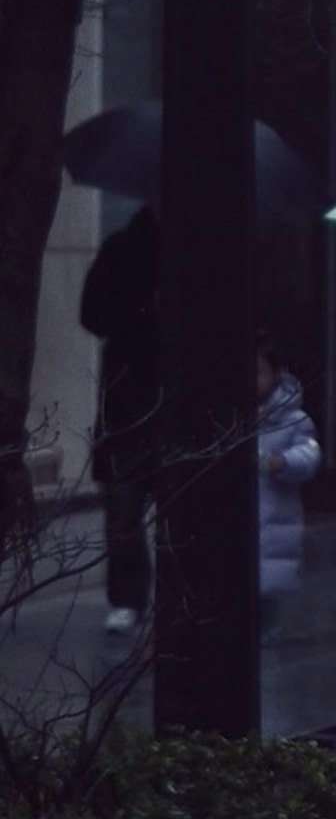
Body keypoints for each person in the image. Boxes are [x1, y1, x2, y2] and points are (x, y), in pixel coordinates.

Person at [80, 201, 162, 630]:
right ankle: (128, 596)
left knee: (169, 506)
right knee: (124, 509)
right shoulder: (122, 251)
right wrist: (144, 312)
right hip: (129, 398)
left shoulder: (199, 249)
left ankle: (156, 596)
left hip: (169, 396)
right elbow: (93, 313)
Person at [254, 345, 323, 602]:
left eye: (259, 372)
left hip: (274, 522)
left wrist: (281, 463)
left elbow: (308, 454)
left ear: (276, 374)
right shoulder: (235, 417)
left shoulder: (293, 419)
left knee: (267, 596)